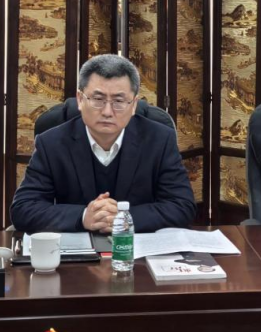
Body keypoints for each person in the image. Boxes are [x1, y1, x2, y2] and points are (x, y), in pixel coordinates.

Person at [10, 54, 195, 233]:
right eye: (98, 99)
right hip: (76, 249)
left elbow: (182, 206)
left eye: (119, 101)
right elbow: (23, 209)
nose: (107, 111)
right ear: (80, 99)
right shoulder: (51, 143)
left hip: (136, 247)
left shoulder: (160, 140)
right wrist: (83, 216)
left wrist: (124, 218)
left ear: (133, 105)